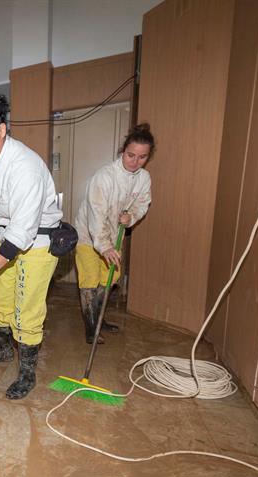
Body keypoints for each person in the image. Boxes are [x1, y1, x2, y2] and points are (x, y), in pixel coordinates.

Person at [0, 92, 63, 400]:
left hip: (36, 243)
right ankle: (3, 351)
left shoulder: (25, 166)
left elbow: (22, 231)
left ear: (2, 130)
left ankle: (27, 373)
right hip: (5, 238)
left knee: (26, 313)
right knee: (1, 304)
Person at [75, 123, 154, 344]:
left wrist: (132, 217)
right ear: (123, 151)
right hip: (88, 235)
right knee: (90, 280)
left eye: (142, 157)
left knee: (110, 277)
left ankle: (98, 318)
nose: (135, 161)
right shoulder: (105, 176)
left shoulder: (144, 178)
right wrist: (105, 246)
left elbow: (142, 203)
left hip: (112, 234)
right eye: (131, 155)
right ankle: (91, 330)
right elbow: (97, 214)